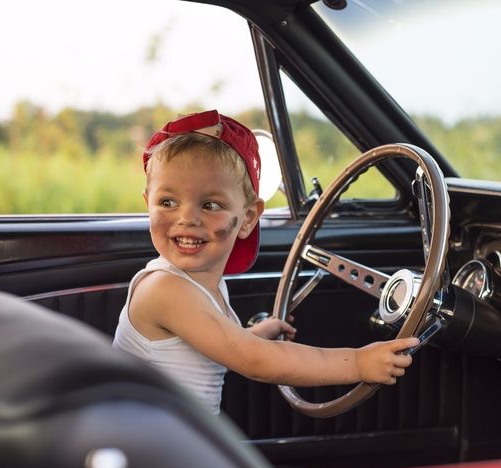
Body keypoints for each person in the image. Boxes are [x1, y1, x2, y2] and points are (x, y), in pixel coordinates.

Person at [113, 110, 418, 414]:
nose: (186, 218)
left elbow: (220, 345)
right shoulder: (166, 290)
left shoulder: (203, 282)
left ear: (247, 218)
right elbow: (254, 360)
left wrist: (254, 335)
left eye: (210, 205)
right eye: (167, 202)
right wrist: (358, 362)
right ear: (147, 204)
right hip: (151, 452)